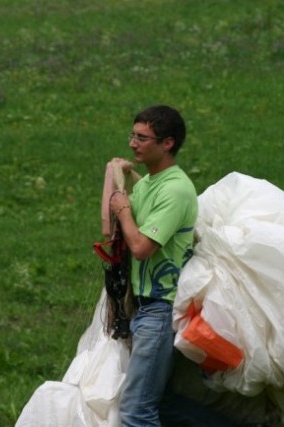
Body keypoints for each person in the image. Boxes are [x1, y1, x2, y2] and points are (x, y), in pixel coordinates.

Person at [110, 106, 246, 427]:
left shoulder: (175, 189)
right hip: (143, 309)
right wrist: (115, 182)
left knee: (135, 410)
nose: (133, 144)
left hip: (160, 309)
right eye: (133, 135)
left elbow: (142, 247)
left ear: (167, 143)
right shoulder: (148, 183)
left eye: (142, 138)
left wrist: (124, 210)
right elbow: (112, 226)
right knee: (164, 403)